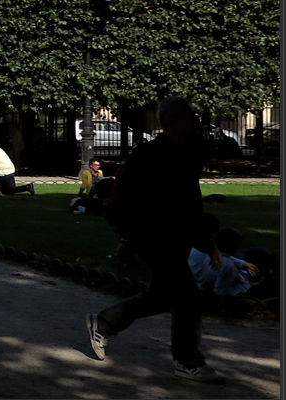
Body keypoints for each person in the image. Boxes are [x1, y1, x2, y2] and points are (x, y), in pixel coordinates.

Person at [87, 96, 226, 384]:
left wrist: (207, 242)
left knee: (162, 295)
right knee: (187, 295)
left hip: (174, 234)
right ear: (174, 122)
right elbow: (127, 200)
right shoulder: (149, 156)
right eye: (191, 116)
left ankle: (105, 322)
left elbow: (190, 202)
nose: (197, 120)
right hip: (151, 235)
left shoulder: (189, 151)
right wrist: (127, 239)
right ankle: (188, 360)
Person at [189, 228, 259, 298]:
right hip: (234, 280)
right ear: (231, 249)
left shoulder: (196, 250)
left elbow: (223, 255)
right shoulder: (226, 265)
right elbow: (223, 293)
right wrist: (248, 285)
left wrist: (242, 263)